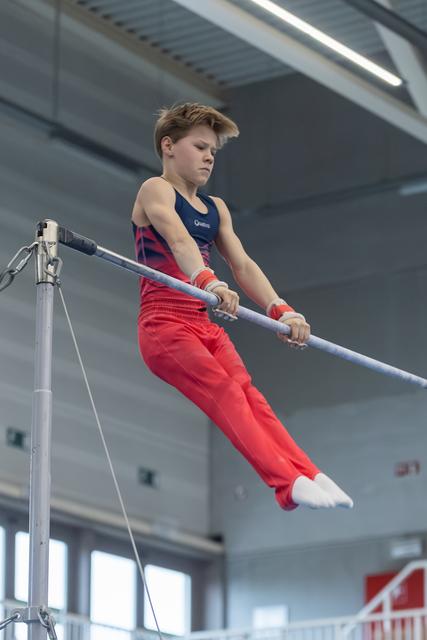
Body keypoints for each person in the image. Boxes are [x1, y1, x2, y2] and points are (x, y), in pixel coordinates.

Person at [131, 103, 353, 511]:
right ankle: (286, 484)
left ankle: (307, 470)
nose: (208, 157)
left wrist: (281, 309)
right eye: (199, 147)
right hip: (164, 326)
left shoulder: (216, 209)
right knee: (226, 394)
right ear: (168, 146)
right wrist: (206, 281)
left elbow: (243, 265)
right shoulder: (155, 189)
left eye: (213, 150)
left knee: (250, 396)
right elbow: (179, 241)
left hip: (203, 323)